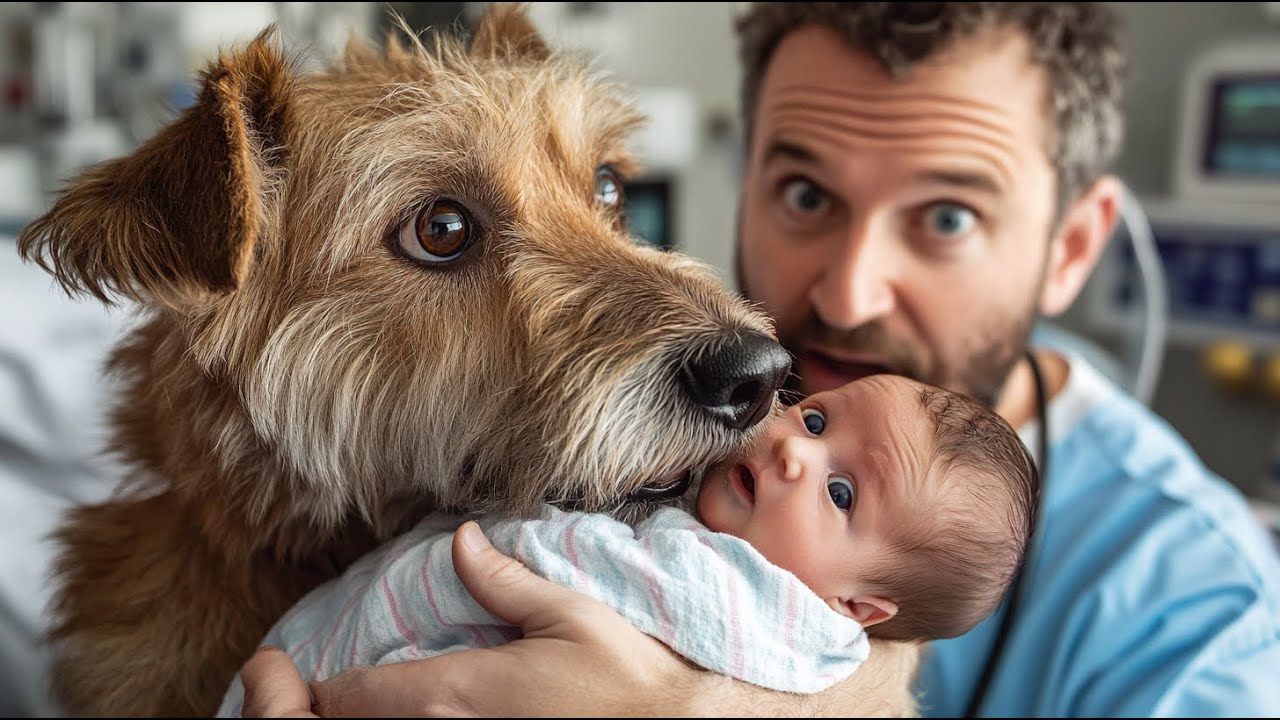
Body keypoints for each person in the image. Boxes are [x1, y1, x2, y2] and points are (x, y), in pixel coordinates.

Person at [241, 2, 1280, 717]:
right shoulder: (671, 437)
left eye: (946, 217)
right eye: (803, 195)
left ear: (1072, 248)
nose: (844, 292)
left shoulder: (1194, 617)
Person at [221, 374, 1037, 717]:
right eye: (817, 418)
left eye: (842, 493)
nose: (793, 446)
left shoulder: (745, 603)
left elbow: (560, 557)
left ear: (856, 608)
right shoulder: (730, 490)